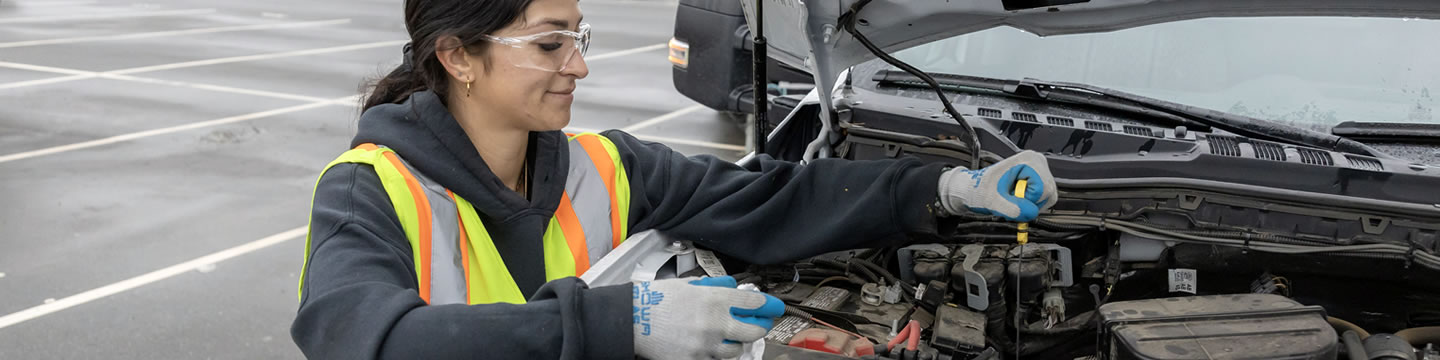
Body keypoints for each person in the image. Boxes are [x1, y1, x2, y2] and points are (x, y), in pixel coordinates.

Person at [289, 0, 1058, 358]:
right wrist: (618, 321)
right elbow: (367, 341)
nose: (580, 66)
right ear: (456, 56)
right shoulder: (370, 190)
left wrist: (943, 190)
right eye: (551, 43)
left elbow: (768, 200)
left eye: (579, 37)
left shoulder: (602, 166)